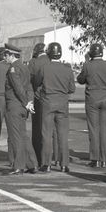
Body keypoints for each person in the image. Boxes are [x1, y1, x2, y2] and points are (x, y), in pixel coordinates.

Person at [77, 43, 106, 168]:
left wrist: (86, 62)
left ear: (91, 53)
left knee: (93, 130)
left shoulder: (88, 65)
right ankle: (104, 159)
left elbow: (80, 79)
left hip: (92, 100)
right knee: (104, 131)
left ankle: (95, 159)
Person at [38, 42, 75, 172]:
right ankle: (64, 164)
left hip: (48, 101)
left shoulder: (44, 67)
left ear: (48, 53)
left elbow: (37, 82)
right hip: (63, 102)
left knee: (47, 134)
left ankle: (46, 163)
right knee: (63, 135)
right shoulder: (67, 69)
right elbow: (72, 88)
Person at [4, 43, 38, 174]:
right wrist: (29, 102)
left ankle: (19, 166)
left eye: (6, 55)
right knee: (23, 136)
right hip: (23, 107)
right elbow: (29, 87)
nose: (5, 57)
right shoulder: (24, 67)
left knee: (16, 137)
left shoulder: (13, 69)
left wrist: (26, 103)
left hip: (15, 105)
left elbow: (18, 88)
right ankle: (32, 164)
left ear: (12, 55)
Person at [28, 43, 50, 166]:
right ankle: (55, 157)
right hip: (51, 98)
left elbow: (29, 80)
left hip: (38, 97)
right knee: (51, 130)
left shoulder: (34, 62)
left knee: (37, 129)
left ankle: (38, 155)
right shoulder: (51, 61)